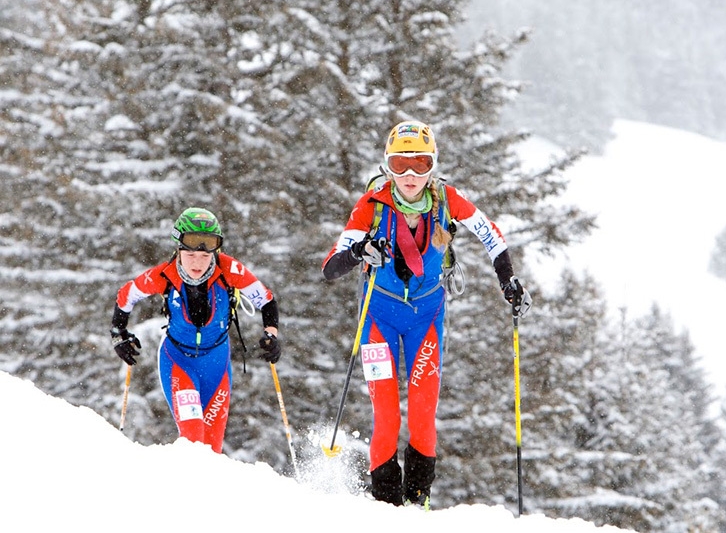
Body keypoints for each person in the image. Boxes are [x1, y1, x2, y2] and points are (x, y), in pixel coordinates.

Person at [322, 120, 532, 507]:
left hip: (426, 320)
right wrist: (359, 251)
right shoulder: (372, 205)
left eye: (420, 164)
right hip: (378, 320)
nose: (409, 175)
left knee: (421, 415)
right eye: (399, 164)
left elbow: (491, 235)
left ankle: (417, 503)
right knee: (386, 415)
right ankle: (385, 507)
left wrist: (509, 281)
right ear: (387, 166)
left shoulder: (447, 199)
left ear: (432, 165)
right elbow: (330, 267)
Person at [110, 207, 281, 453]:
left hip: (217, 365)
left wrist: (271, 335)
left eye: (205, 256)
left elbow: (266, 301)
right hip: (178, 361)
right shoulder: (162, 276)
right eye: (190, 255)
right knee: (192, 438)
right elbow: (126, 296)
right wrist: (119, 335)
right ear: (178, 249)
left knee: (212, 450)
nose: (197, 263)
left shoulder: (229, 270)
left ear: (215, 252)